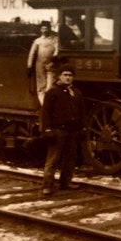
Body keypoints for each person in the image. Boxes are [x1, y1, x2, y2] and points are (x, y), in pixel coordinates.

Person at [40, 64, 86, 196]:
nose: (68, 78)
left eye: (70, 75)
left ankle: (65, 182)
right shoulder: (52, 92)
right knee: (53, 159)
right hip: (57, 130)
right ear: (59, 76)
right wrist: (47, 130)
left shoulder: (77, 93)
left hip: (72, 131)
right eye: (65, 75)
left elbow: (82, 112)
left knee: (70, 158)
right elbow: (46, 113)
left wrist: (82, 128)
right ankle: (47, 185)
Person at [27, 21, 57, 105]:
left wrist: (54, 58)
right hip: (39, 65)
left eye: (46, 28)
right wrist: (29, 66)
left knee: (50, 86)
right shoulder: (37, 41)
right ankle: (44, 106)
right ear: (40, 29)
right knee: (41, 87)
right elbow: (32, 54)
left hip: (51, 65)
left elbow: (57, 49)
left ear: (50, 28)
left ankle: (50, 105)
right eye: (43, 28)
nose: (44, 30)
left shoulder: (55, 39)